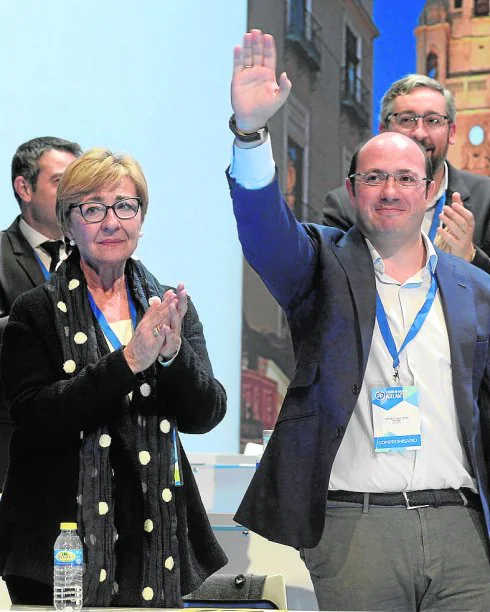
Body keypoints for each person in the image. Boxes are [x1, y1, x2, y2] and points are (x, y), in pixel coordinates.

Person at [229, 29, 490, 611]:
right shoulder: (320, 265)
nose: (389, 191)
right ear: (352, 191)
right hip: (357, 530)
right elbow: (266, 234)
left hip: (464, 531)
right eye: (373, 179)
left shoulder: (476, 287)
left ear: (430, 193)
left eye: (405, 180)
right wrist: (250, 135)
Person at [0, 148, 227, 607]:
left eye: (125, 206)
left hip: (152, 538)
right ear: (67, 223)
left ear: (141, 220)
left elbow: (206, 414)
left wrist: (172, 355)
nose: (111, 222)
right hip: (56, 547)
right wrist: (129, 361)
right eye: (93, 208)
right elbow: (35, 416)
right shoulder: (35, 310)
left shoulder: (168, 307)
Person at [323, 74, 490, 274]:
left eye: (433, 120)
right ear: (383, 129)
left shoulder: (486, 199)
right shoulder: (345, 206)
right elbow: (331, 287)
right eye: (406, 120)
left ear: (452, 132)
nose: (419, 133)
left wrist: (471, 258)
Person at [0, 136, 82, 488]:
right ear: (24, 187)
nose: (74, 194)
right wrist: (50, 316)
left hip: (84, 447)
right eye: (60, 181)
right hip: (13, 447)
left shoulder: (95, 258)